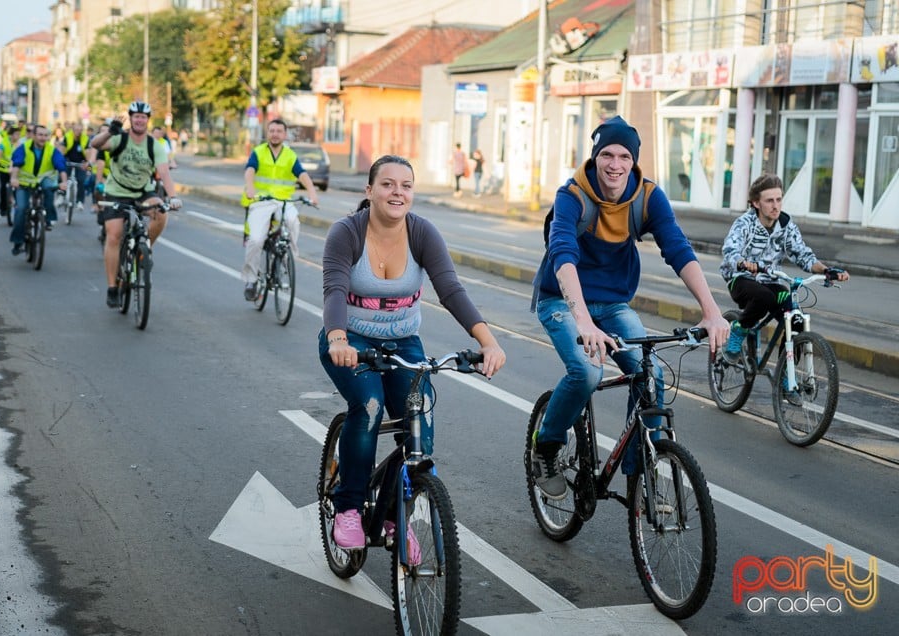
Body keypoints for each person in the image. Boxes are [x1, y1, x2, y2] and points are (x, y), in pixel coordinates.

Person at [529, 116, 729, 499]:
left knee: (649, 375)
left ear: (634, 161)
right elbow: (563, 255)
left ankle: (643, 474)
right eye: (606, 154)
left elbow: (677, 248)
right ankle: (548, 445)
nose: (615, 165)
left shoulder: (648, 197)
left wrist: (711, 310)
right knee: (587, 372)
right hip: (562, 301)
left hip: (613, 303)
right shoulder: (572, 195)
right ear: (595, 157)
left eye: (623, 156)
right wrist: (583, 322)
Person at [319, 154, 506, 548]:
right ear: (369, 191)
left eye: (405, 185)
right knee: (368, 405)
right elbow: (335, 289)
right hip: (351, 340)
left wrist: (487, 342)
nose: (397, 192)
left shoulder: (423, 233)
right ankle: (349, 507)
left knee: (418, 424)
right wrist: (337, 338)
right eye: (387, 184)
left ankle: (392, 515)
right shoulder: (347, 233)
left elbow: (451, 290)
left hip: (403, 342)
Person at [719, 173, 849, 362]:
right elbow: (730, 250)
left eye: (779, 200)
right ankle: (739, 329)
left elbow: (802, 254)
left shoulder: (786, 225)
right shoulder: (744, 224)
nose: (775, 205)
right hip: (741, 279)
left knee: (796, 320)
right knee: (763, 297)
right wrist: (742, 262)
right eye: (769, 200)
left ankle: (786, 375)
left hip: (770, 281)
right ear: (756, 203)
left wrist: (826, 270)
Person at [90, 101, 182, 308]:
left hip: (142, 192)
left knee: (161, 213)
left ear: (148, 121)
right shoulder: (118, 138)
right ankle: (113, 287)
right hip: (116, 192)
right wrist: (109, 132)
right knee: (114, 235)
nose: (140, 119)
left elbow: (165, 172)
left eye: (144, 117)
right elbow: (95, 145)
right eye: (136, 116)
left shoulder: (153, 145)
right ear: (130, 119)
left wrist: (173, 196)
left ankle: (143, 251)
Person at [240, 118, 319, 301]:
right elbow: (250, 170)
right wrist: (250, 187)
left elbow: (302, 175)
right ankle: (251, 280)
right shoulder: (258, 152)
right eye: (272, 130)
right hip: (261, 200)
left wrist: (312, 193)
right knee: (256, 239)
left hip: (283, 201)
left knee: (293, 221)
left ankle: (285, 259)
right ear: (268, 133)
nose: (275, 134)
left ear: (284, 135)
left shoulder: (290, 155)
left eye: (279, 131)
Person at [8, 124, 68, 254]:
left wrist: (64, 182)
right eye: (40, 135)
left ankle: (48, 218)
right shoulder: (24, 148)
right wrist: (14, 179)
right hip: (24, 183)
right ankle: (18, 242)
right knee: (22, 209)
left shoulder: (52, 150)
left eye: (46, 135)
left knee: (49, 189)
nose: (43, 138)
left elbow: (61, 166)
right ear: (34, 136)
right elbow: (17, 165)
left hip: (43, 181)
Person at [59, 121, 91, 212]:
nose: (78, 132)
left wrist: (88, 167)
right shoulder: (67, 136)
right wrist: (60, 162)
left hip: (81, 162)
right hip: (68, 160)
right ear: (73, 130)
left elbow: (89, 154)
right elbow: (62, 150)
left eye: (80, 130)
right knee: (62, 173)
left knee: (81, 180)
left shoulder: (85, 138)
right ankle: (61, 194)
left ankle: (80, 201)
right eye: (76, 130)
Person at [0, 126, 21, 219]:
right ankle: (3, 208)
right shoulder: (4, 142)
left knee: (18, 188)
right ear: (12, 135)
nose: (18, 136)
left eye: (19, 134)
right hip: (4, 169)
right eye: (16, 134)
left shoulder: (19, 144)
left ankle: (18, 206)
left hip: (15, 170)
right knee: (3, 188)